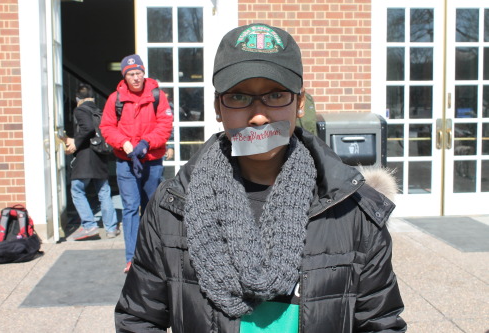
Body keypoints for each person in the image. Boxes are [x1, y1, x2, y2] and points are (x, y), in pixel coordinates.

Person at [115, 24, 406, 332]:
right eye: (239, 97)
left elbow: (380, 323)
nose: (258, 115)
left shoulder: (353, 211)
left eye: (276, 95)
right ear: (218, 106)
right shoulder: (170, 209)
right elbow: (139, 320)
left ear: (300, 103)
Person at [100, 54, 173, 272]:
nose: (135, 78)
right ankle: (131, 258)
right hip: (125, 163)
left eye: (138, 73)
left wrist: (146, 143)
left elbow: (164, 125)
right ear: (125, 76)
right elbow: (106, 127)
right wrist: (122, 142)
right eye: (131, 74)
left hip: (152, 161)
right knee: (131, 208)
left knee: (151, 207)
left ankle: (153, 254)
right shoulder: (116, 99)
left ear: (144, 73)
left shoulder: (158, 96)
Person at [67, 83, 119, 241]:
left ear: (78, 98)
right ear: (92, 97)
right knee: (104, 192)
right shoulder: (99, 111)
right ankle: (111, 229)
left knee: (77, 190)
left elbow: (87, 128)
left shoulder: (80, 109)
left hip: (86, 157)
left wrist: (76, 142)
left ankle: (89, 226)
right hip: (100, 157)